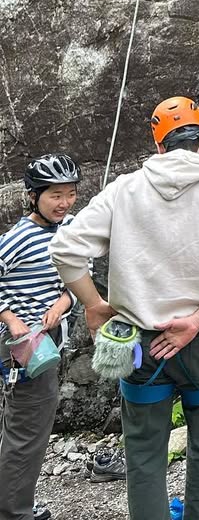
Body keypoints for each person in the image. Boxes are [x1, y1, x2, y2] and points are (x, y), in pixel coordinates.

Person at [50, 96, 199, 520]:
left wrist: (94, 305)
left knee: (144, 457)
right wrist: (195, 321)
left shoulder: (124, 190)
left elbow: (66, 250)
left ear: (159, 146)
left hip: (136, 345)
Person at [0, 154, 81, 520]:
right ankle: (15, 512)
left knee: (21, 425)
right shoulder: (18, 237)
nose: (64, 202)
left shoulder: (72, 228)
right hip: (21, 345)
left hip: (49, 339)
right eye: (55, 195)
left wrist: (64, 300)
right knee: (29, 429)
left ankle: (14, 504)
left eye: (70, 193)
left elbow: (80, 275)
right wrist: (11, 319)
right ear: (33, 196)